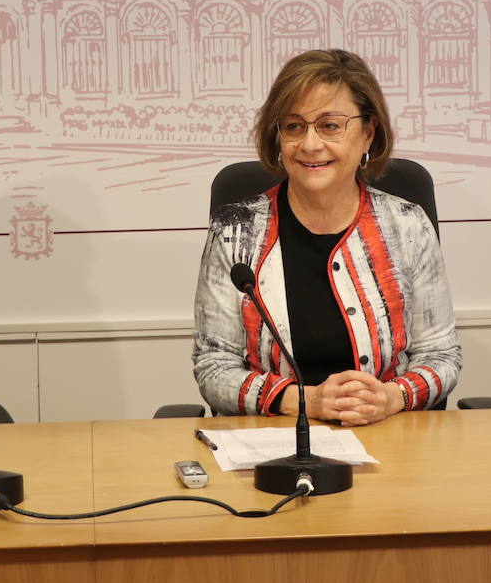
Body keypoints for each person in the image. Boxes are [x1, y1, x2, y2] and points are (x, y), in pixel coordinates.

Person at [192, 49, 461, 424]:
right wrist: (306, 400)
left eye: (330, 125)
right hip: (270, 444)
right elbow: (214, 367)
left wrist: (391, 396)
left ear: (368, 133)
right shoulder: (236, 230)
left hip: (388, 439)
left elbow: (441, 358)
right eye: (293, 126)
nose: (309, 144)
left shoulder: (408, 226)